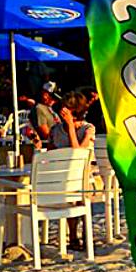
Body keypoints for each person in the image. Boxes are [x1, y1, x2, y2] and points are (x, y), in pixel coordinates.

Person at [44, 91, 97, 251]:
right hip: (61, 179)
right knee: (70, 190)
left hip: (84, 177)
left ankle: (85, 234)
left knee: (80, 191)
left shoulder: (88, 129)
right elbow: (49, 155)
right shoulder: (55, 130)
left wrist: (71, 128)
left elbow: (77, 155)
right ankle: (73, 236)